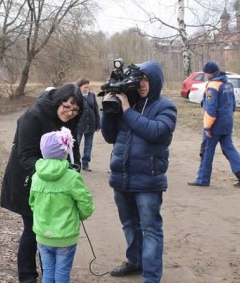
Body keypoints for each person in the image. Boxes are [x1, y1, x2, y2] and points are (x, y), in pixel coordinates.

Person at [101, 61, 177, 283]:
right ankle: (135, 262)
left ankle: (151, 276)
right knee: (129, 225)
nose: (142, 84)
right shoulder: (129, 103)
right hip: (121, 177)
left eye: (147, 79)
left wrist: (125, 110)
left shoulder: (166, 106)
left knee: (150, 229)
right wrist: (109, 108)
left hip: (148, 180)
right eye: (139, 79)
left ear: (156, 81)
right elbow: (109, 136)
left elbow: (155, 132)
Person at [0, 83, 84, 283]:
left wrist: (74, 168)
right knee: (33, 229)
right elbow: (25, 156)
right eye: (66, 107)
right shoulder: (33, 117)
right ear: (58, 101)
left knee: (51, 231)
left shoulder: (69, 121)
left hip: (56, 184)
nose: (70, 112)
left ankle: (49, 275)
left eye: (75, 110)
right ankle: (27, 276)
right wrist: (53, 173)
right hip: (28, 182)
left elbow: (73, 148)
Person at [29, 127, 94, 283]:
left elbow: (32, 202)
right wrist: (80, 215)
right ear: (65, 152)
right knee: (62, 273)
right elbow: (86, 202)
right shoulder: (72, 177)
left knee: (48, 272)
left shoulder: (36, 177)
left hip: (43, 234)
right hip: (65, 235)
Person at [188, 61, 240, 187]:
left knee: (207, 151)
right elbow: (233, 104)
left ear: (209, 73)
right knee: (229, 149)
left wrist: (207, 127)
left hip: (215, 125)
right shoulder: (228, 83)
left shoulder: (213, 85)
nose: (205, 75)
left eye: (205, 72)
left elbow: (211, 109)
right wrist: (228, 119)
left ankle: (202, 179)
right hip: (227, 122)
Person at [76, 77, 101, 172]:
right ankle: (75, 163)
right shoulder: (76, 95)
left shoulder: (92, 95)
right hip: (79, 125)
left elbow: (96, 110)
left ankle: (85, 164)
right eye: (84, 84)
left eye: (87, 84)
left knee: (88, 146)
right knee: (76, 145)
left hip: (91, 124)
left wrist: (98, 125)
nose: (86, 86)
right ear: (80, 86)